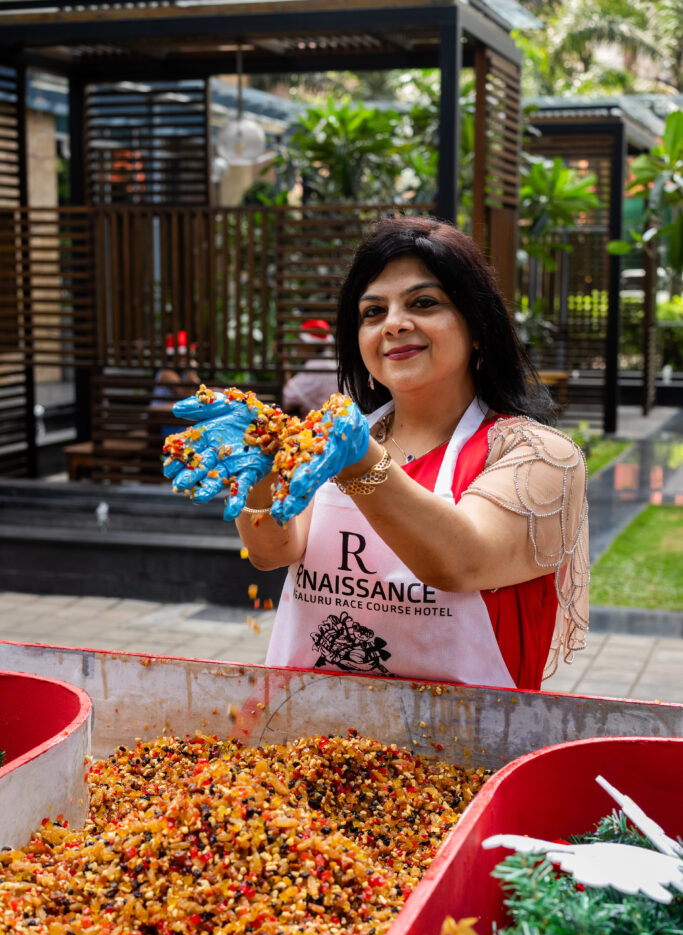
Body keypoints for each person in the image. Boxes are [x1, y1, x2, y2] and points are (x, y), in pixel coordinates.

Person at [165, 217, 588, 691]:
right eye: (371, 313)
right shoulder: (331, 442)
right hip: (313, 739)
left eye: (423, 303)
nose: (393, 324)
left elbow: (460, 561)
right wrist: (260, 467)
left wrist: (362, 464)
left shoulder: (538, 456)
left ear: (477, 329)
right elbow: (272, 551)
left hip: (468, 749)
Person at [281, 319, 339, 416]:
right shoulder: (332, 362)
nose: (296, 345)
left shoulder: (315, 367)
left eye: (300, 340)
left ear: (311, 346)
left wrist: (283, 361)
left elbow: (286, 399)